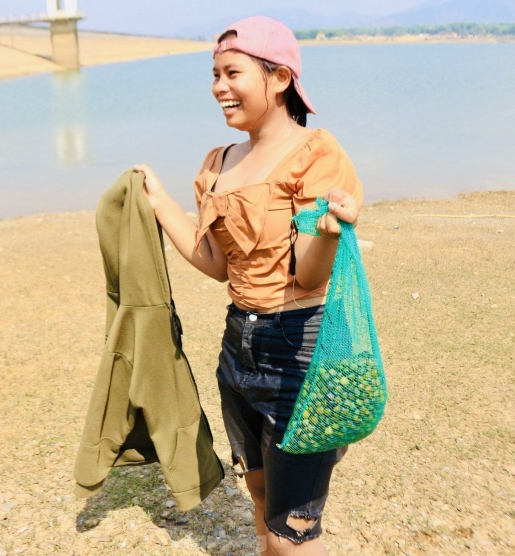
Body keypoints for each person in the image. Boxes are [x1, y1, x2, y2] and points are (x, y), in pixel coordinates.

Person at [135, 15, 363, 556]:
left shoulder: (315, 153)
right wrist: (160, 203)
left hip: (299, 351)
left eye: (232, 73)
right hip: (237, 346)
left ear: (279, 78)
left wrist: (329, 234)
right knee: (259, 493)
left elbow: (308, 275)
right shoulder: (217, 164)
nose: (219, 87)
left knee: (292, 532)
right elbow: (217, 264)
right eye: (214, 75)